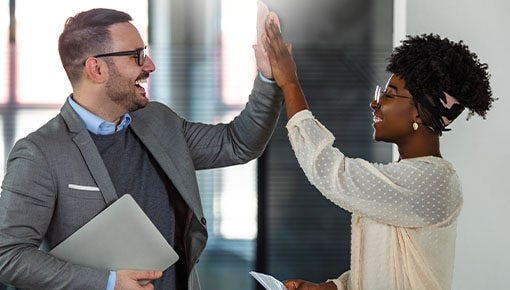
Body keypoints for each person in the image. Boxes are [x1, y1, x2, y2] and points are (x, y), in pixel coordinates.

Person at [0, 7, 283, 290]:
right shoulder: (40, 153)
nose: (149, 65)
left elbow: (237, 143)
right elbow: (8, 255)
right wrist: (108, 283)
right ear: (96, 69)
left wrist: (268, 77)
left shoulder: (159, 121)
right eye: (137, 55)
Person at [262, 14, 494, 290]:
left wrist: (290, 83)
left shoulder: (433, 181)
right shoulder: (405, 178)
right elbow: (385, 268)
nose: (377, 104)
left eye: (390, 94)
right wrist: (332, 287)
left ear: (419, 111)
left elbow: (331, 173)